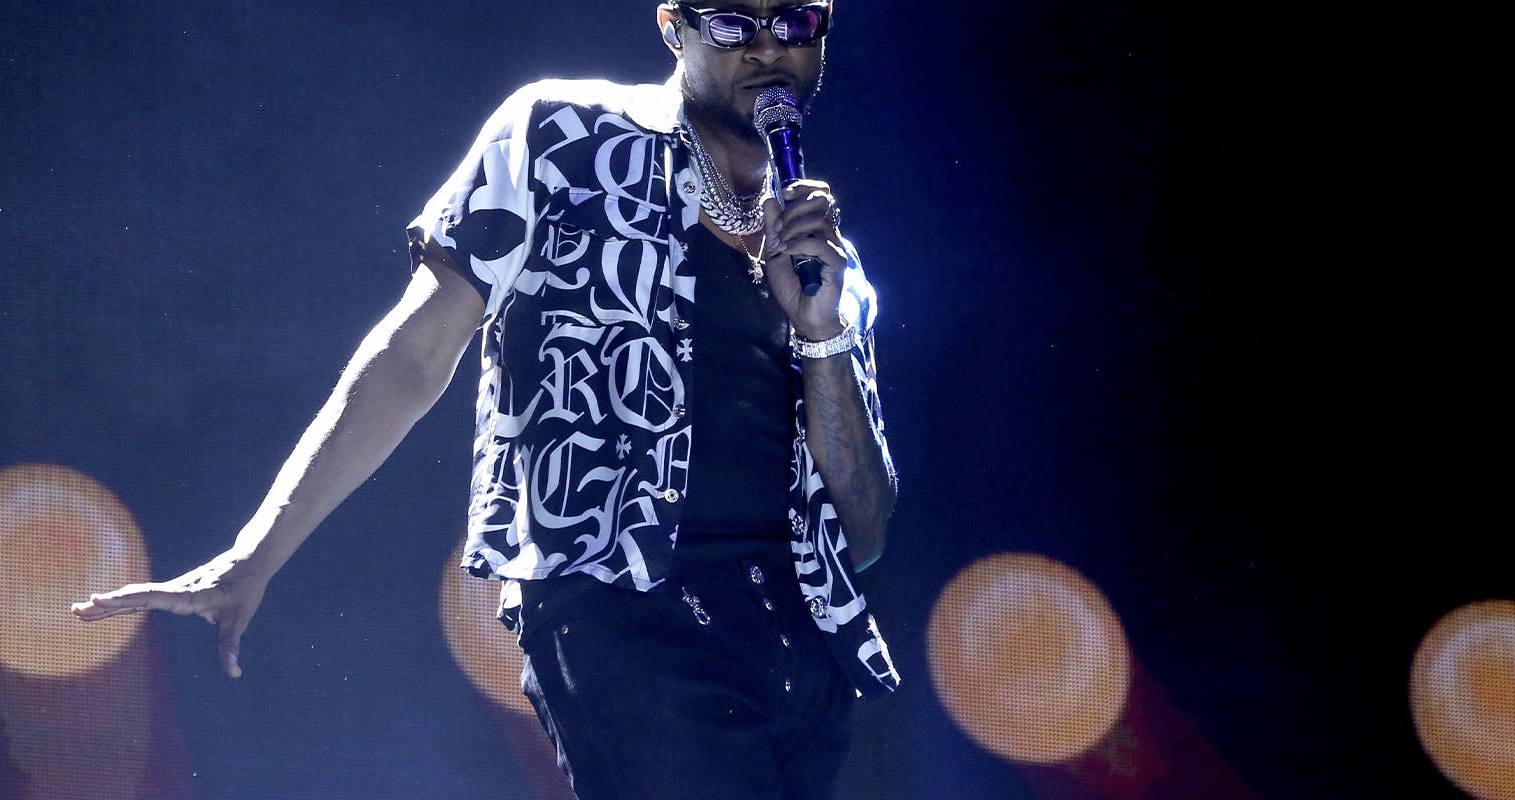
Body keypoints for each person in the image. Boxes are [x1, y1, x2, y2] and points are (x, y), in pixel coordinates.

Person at [73, 2, 899, 796]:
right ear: (672, 26)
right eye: (729, 20)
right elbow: (414, 352)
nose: (765, 46)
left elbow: (863, 529)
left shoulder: (830, 261)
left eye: (793, 20)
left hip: (803, 643)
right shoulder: (564, 136)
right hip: (627, 613)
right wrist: (255, 553)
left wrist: (820, 331)